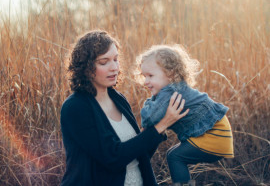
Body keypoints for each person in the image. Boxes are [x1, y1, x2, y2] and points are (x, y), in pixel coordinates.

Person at [60, 30, 189, 186]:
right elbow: (113, 158)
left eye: (116, 59)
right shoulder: (75, 107)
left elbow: (139, 155)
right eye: (104, 62)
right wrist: (161, 125)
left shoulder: (118, 99)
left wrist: (161, 123)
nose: (114, 67)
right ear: (85, 67)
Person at [137, 44, 234, 186]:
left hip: (213, 135)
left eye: (150, 76)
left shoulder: (169, 92)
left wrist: (149, 102)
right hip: (219, 132)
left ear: (170, 74)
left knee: (176, 157)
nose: (146, 81)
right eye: (144, 76)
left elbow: (149, 118)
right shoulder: (176, 88)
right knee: (173, 155)